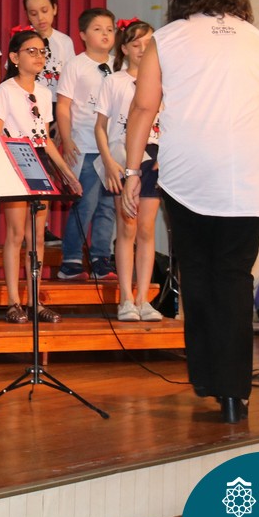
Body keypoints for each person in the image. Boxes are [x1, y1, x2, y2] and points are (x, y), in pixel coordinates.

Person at [122, 0, 259, 424]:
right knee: (235, 278)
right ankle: (235, 394)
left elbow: (143, 108)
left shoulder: (167, 39)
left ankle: (207, 379)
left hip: (188, 176)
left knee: (196, 274)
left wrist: (132, 171)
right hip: (249, 176)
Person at [0, 27, 78, 323]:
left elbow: (46, 139)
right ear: (15, 57)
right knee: (16, 234)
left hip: (41, 163)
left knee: (37, 236)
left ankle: (35, 301)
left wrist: (66, 172)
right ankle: (13, 302)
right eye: (32, 51)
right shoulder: (6, 90)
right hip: (16, 160)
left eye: (42, 52)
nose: (39, 56)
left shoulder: (44, 92)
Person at [94, 18, 162, 323]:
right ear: (124, 48)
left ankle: (144, 299)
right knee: (127, 228)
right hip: (122, 157)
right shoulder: (114, 81)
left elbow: (171, 122)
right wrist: (109, 161)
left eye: (148, 43)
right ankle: (125, 298)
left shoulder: (163, 81)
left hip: (154, 157)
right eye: (136, 44)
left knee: (146, 229)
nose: (143, 49)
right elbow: (101, 126)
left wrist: (166, 153)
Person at [55, 7, 117, 281]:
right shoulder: (76, 65)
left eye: (109, 30)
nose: (105, 34)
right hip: (87, 145)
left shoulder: (119, 65)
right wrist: (67, 139)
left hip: (114, 150)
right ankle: (71, 260)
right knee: (86, 204)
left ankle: (101, 258)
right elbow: (64, 106)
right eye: (97, 29)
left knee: (108, 206)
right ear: (82, 34)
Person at [23, 0, 75, 106]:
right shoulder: (23, 40)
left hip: (56, 102)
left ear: (54, 9)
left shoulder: (65, 41)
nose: (40, 18)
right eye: (34, 14)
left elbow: (71, 78)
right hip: (27, 101)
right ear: (27, 15)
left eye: (44, 11)